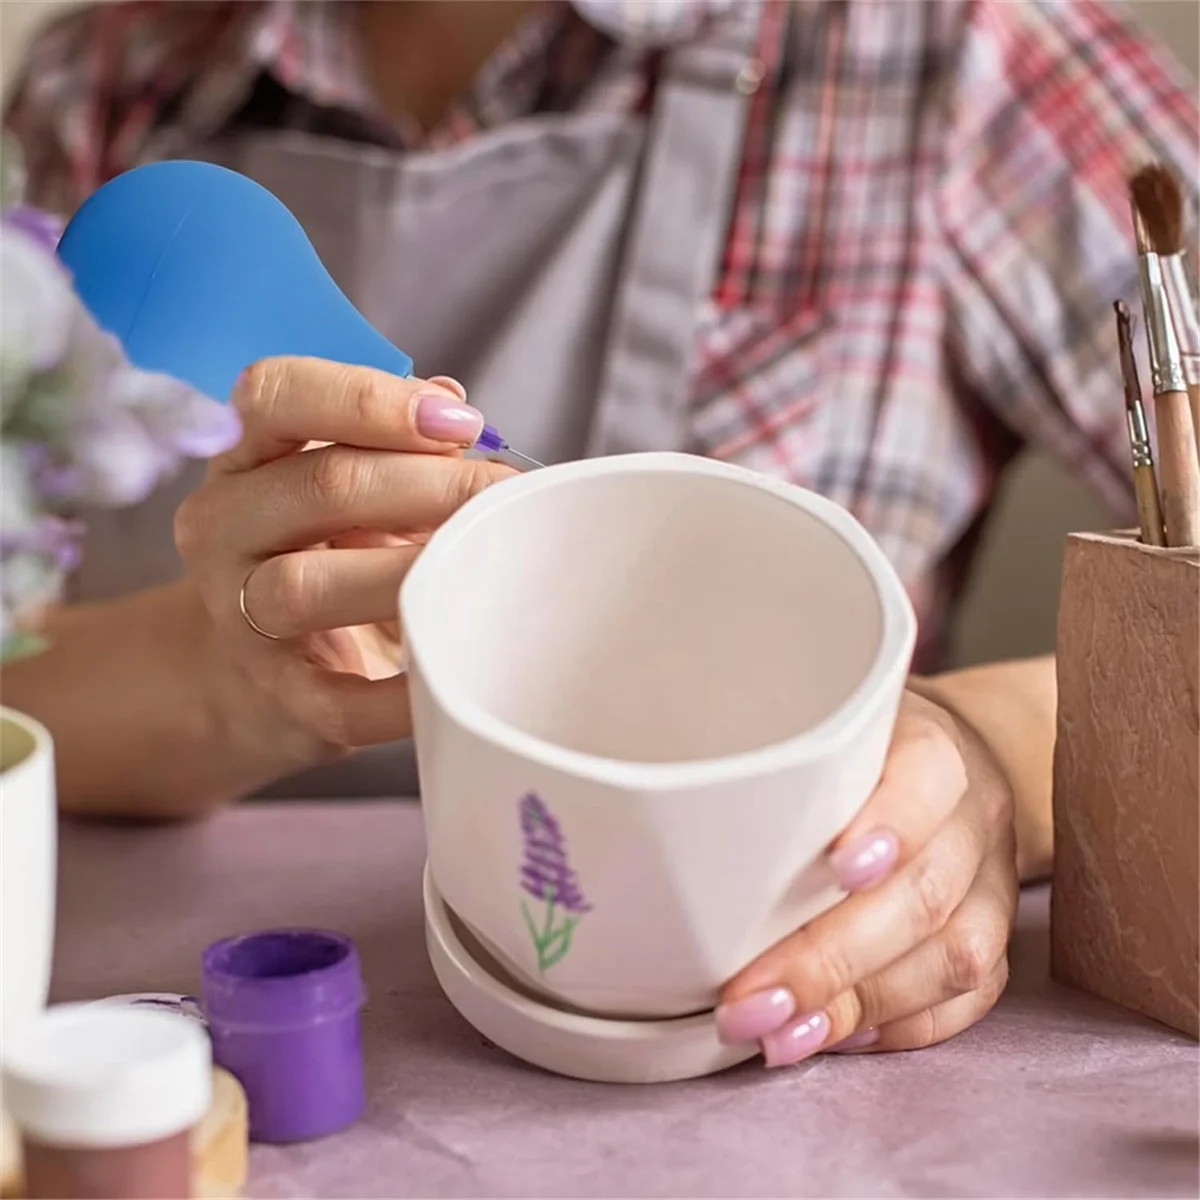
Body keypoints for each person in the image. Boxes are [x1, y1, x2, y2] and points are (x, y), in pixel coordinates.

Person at [2, 0, 1197, 1070]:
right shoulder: (114, 82)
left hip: (782, 1033)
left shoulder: (957, 58)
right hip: (217, 1040)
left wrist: (1000, 758)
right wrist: (238, 686)